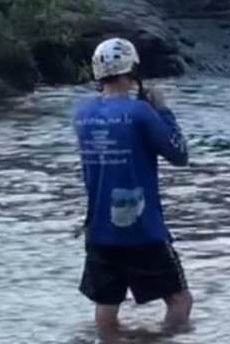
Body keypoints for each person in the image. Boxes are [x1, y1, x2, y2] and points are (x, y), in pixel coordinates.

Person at [73, 38, 192, 334]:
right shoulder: (140, 112)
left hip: (98, 227)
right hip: (143, 229)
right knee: (179, 300)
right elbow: (179, 154)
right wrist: (162, 110)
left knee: (107, 305)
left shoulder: (82, 115)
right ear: (130, 70)